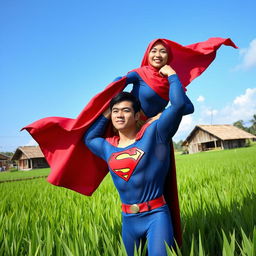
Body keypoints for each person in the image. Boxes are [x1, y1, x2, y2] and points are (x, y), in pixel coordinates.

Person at [84, 65, 194, 255]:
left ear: (136, 116)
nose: (119, 114)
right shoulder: (107, 146)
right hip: (128, 220)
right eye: (115, 111)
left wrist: (172, 75)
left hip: (156, 217)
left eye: (126, 110)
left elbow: (177, 106)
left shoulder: (154, 134)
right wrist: (106, 111)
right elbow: (89, 138)